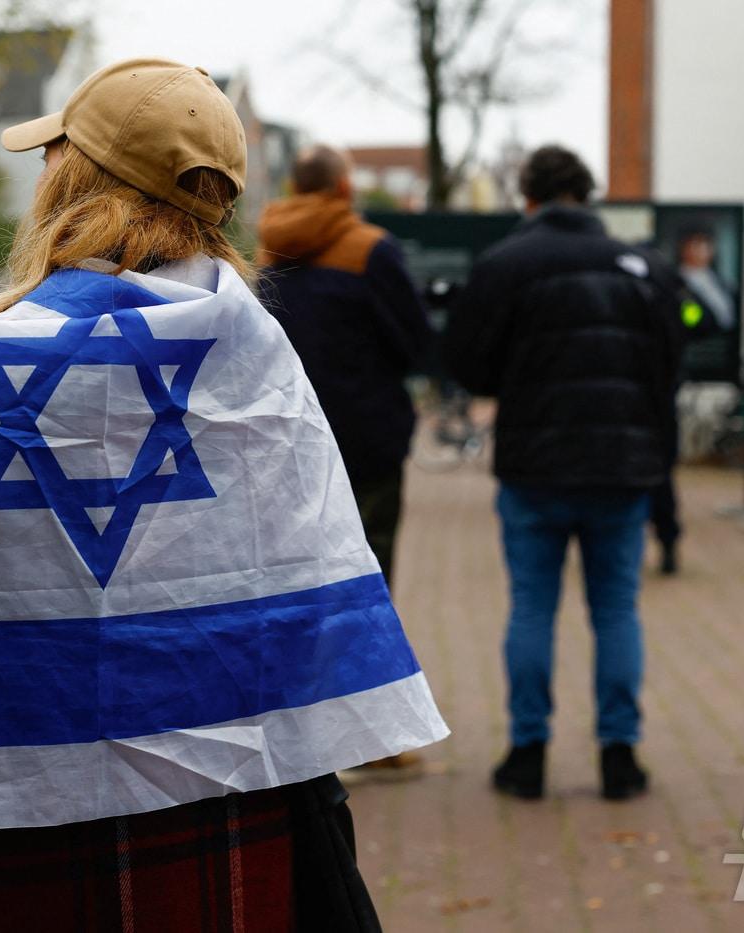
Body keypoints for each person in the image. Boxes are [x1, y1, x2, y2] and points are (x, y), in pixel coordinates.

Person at [0, 58, 447, 932]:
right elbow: (305, 624)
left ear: (72, 177)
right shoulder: (258, 360)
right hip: (230, 837)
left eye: (52, 157)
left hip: (9, 844)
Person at [444, 145, 681, 801]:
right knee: (615, 610)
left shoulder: (503, 265)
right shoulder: (645, 267)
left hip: (534, 467)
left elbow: (467, 362)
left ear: (528, 197)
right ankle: (619, 757)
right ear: (589, 195)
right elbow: (671, 357)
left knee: (531, 609)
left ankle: (527, 755)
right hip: (624, 469)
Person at [258, 145, 432, 783]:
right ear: (343, 188)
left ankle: (298, 728)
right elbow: (415, 340)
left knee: (298, 580)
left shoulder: (268, 249)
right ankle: (371, 739)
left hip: (288, 440)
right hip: (368, 436)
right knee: (370, 578)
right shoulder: (369, 248)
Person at [673, 222, 735, 331]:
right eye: (696, 246)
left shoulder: (715, 277)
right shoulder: (678, 281)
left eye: (706, 245)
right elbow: (690, 321)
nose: (703, 251)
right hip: (703, 343)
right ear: (684, 249)